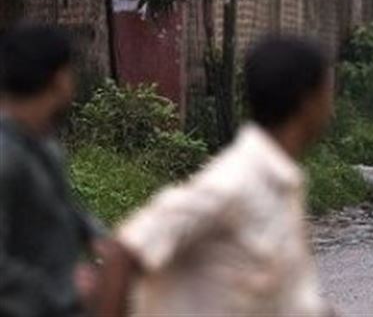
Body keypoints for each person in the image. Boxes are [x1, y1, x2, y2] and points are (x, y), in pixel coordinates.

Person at [97, 35, 337, 317]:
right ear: (308, 101)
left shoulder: (281, 185)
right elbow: (123, 254)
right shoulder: (235, 182)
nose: (331, 107)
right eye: (328, 93)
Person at [0, 24, 106, 317]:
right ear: (59, 80)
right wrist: (64, 290)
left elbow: (60, 205)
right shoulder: (5, 158)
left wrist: (95, 236)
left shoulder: (42, 144)